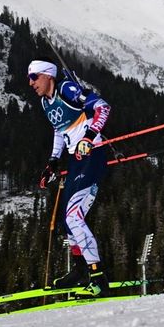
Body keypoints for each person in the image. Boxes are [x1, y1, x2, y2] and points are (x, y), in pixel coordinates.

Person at [29, 59, 112, 290]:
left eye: (34, 77)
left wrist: (89, 136)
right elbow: (59, 129)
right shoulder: (46, 103)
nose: (30, 82)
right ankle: (80, 270)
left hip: (92, 153)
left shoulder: (66, 89)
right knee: (68, 221)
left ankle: (98, 277)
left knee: (75, 216)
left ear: (48, 76)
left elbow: (103, 107)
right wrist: (53, 162)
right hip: (75, 159)